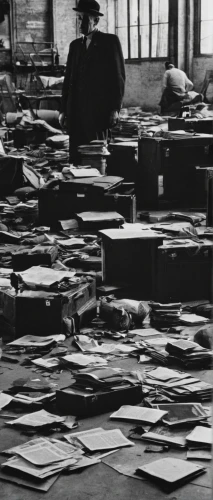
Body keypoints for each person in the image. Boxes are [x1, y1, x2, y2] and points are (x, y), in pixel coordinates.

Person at [59, 0, 125, 162]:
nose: (80, 23)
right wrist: (63, 110)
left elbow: (118, 77)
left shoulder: (109, 42)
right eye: (79, 18)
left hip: (98, 112)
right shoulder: (75, 46)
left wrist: (114, 109)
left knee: (96, 154)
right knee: (76, 155)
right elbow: (68, 80)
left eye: (85, 18)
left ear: (96, 20)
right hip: (75, 112)